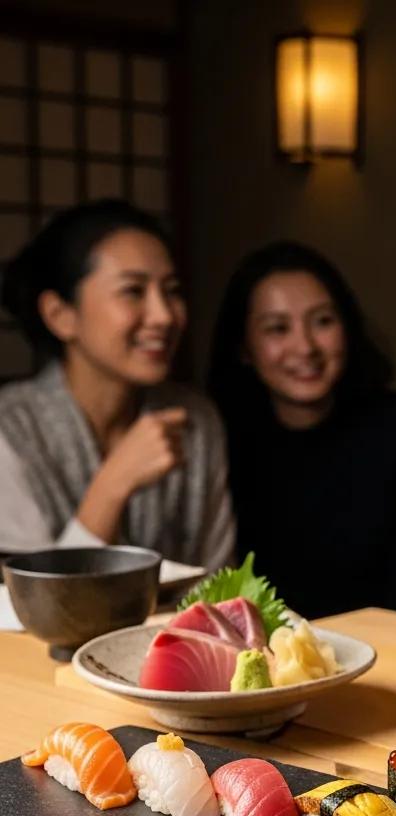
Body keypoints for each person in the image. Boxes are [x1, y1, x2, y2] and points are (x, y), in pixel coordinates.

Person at [208, 241, 396, 620]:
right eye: (277, 328)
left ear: (347, 328)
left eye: (323, 321)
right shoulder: (218, 438)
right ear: (243, 347)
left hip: (388, 657)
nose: (305, 346)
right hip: (266, 663)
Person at [0, 199, 234, 568]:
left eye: (172, 291)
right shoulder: (10, 427)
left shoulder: (195, 418)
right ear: (60, 315)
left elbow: (220, 581)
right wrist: (113, 485)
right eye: (133, 291)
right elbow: (23, 608)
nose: (163, 316)